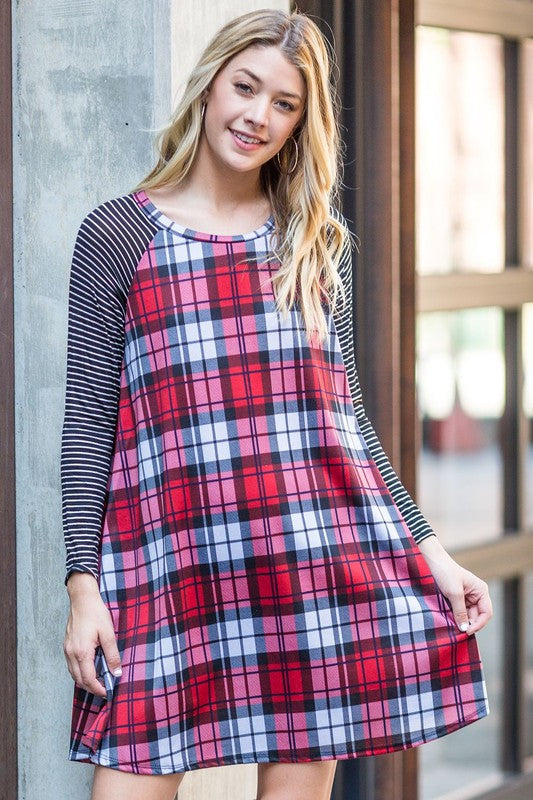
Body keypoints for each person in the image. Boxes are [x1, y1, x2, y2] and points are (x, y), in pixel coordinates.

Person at [61, 8, 492, 800]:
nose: (257, 116)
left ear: (301, 122)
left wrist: (428, 548)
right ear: (210, 85)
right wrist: (82, 586)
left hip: (308, 569)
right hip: (168, 574)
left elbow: (345, 421)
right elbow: (89, 422)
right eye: (245, 88)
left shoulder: (311, 240)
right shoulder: (119, 235)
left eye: (284, 103)